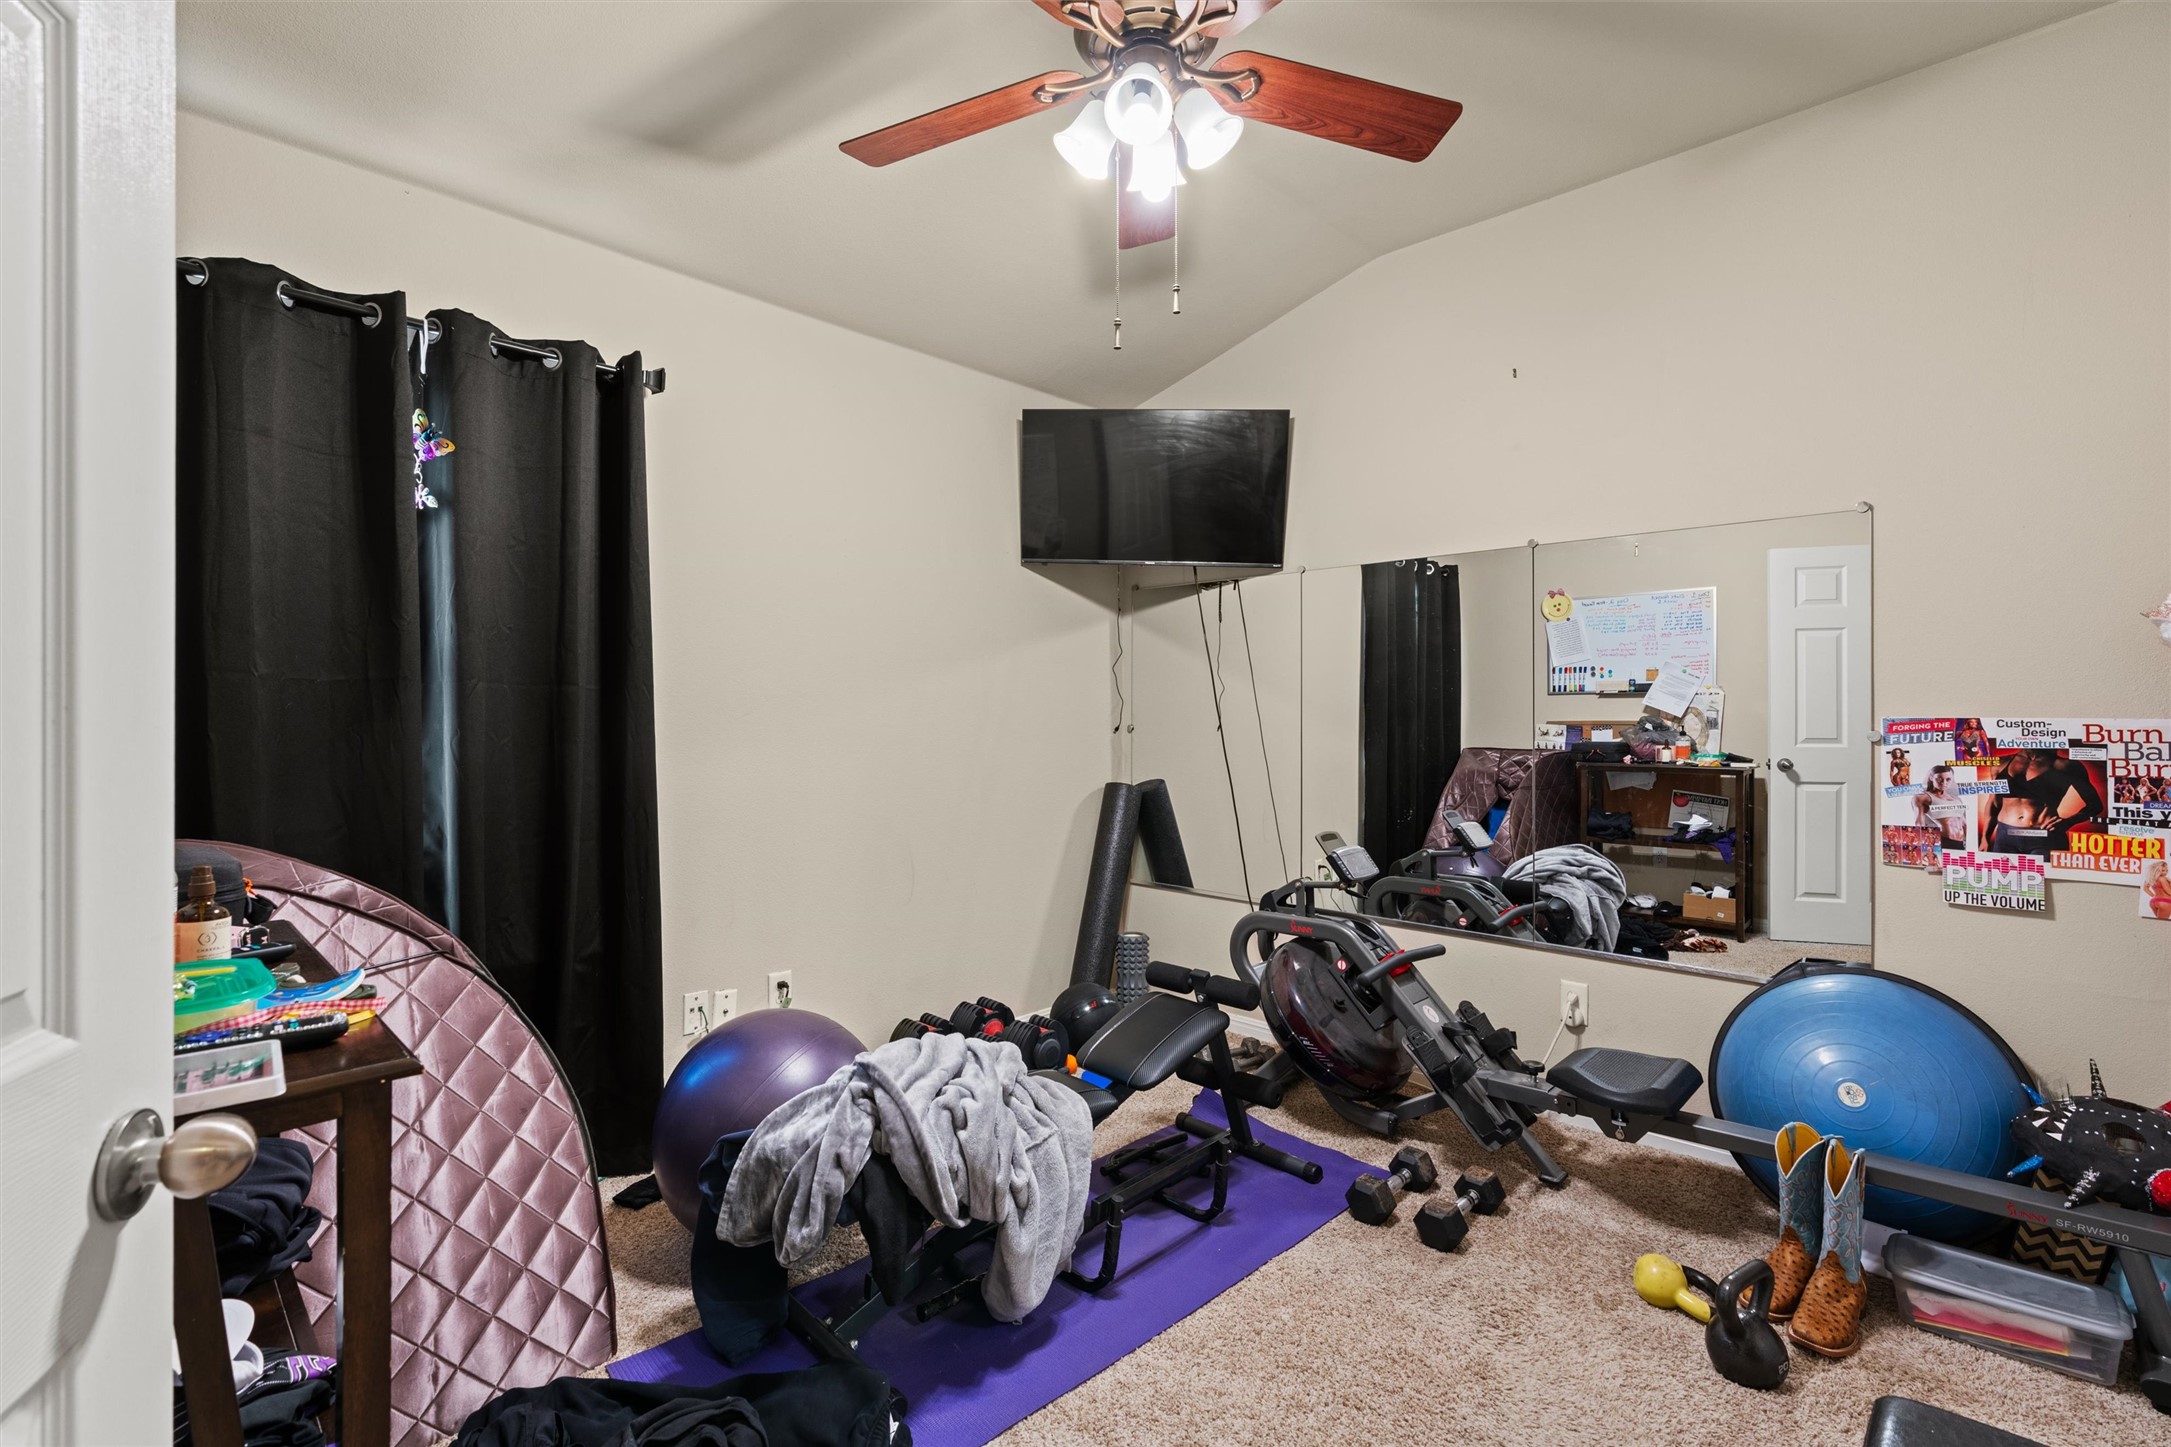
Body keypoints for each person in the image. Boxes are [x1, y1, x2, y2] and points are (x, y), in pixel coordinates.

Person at [1978, 750, 2096, 857]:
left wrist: (2068, 822)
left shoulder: (2066, 766)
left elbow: (2095, 805)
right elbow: (1994, 802)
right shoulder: (2000, 762)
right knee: (2005, 879)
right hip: (2006, 837)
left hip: (2044, 837)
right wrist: (1985, 839)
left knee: (2048, 880)